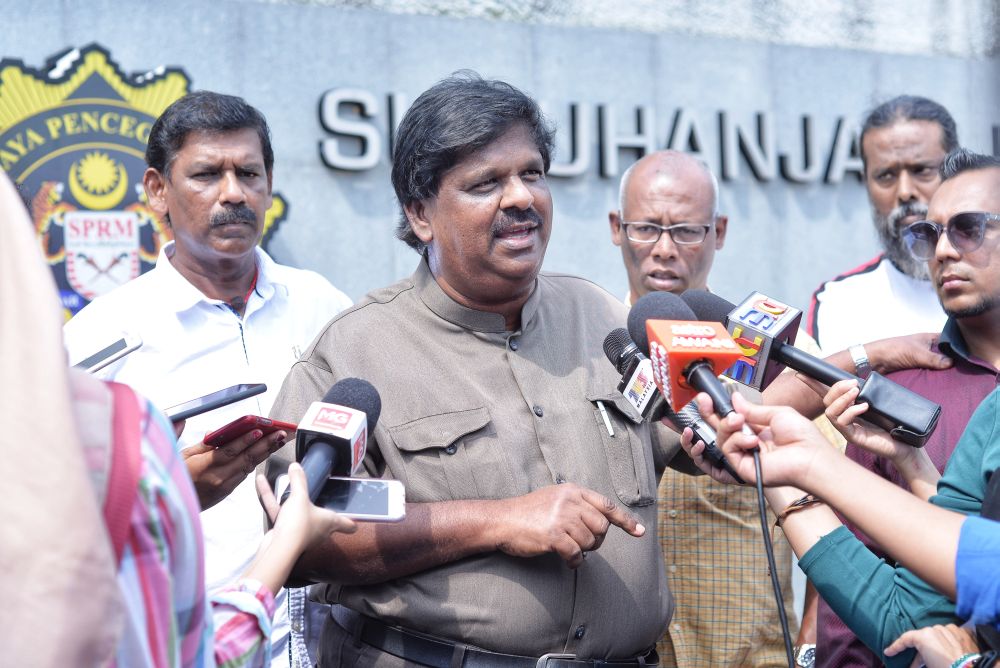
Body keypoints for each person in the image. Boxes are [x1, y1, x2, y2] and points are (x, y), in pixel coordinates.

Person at [266, 72, 706, 667]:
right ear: (421, 213)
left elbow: (684, 437)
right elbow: (305, 537)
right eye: (486, 183)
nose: (522, 197)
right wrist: (495, 521)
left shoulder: (600, 315)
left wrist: (720, 434)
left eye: (532, 173)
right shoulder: (352, 355)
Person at [0, 167, 357, 667]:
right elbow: (192, 656)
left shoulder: (325, 305)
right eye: (207, 174)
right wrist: (282, 542)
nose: (233, 193)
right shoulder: (107, 382)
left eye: (249, 172)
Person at [678, 149, 1000, 668]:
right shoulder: (912, 395)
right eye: (929, 234)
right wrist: (794, 471)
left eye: (967, 228)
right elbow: (910, 611)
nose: (942, 251)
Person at [609, 150, 800, 666]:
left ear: (719, 230)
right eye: (646, 228)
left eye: (687, 231)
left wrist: (810, 650)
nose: (664, 250)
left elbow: (829, 505)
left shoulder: (769, 361)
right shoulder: (587, 350)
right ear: (615, 228)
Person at [808, 95, 957, 354]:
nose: (905, 191)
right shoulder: (839, 301)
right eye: (886, 175)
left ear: (957, 172)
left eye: (921, 170)